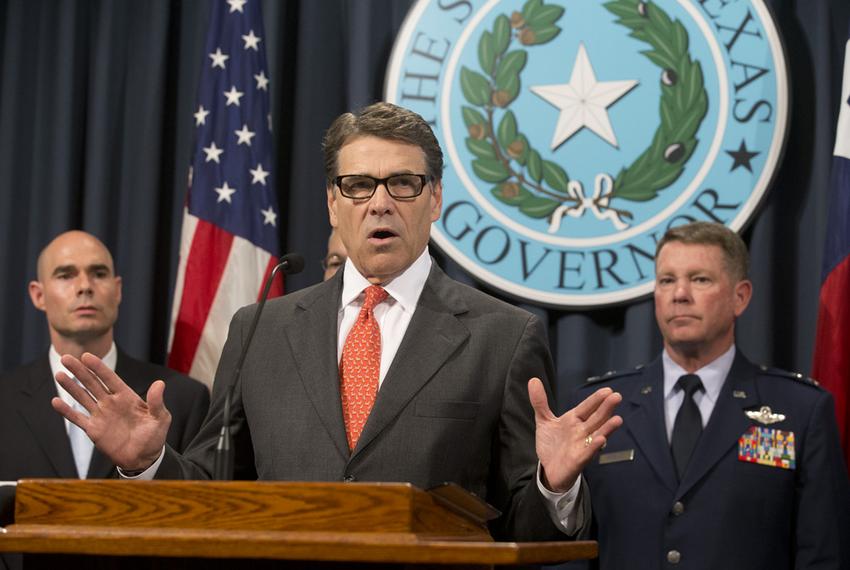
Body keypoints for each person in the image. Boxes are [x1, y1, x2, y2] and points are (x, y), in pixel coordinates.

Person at [51, 103, 622, 541]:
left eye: (403, 183)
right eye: (358, 185)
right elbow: (214, 496)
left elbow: (526, 529)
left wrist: (557, 485)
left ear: (436, 198)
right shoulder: (259, 330)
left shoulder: (502, 336)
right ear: (332, 202)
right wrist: (149, 462)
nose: (380, 203)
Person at [569, 222, 850, 569]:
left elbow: (824, 556)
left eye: (700, 279)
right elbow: (570, 551)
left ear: (740, 296)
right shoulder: (600, 407)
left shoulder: (801, 410)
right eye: (667, 280)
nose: (680, 294)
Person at [0, 231, 209, 482]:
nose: (85, 287)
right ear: (38, 295)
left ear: (118, 290)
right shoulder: (4, 399)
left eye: (98, 274)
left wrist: (146, 465)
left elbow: (205, 508)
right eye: (66, 275)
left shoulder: (183, 397)